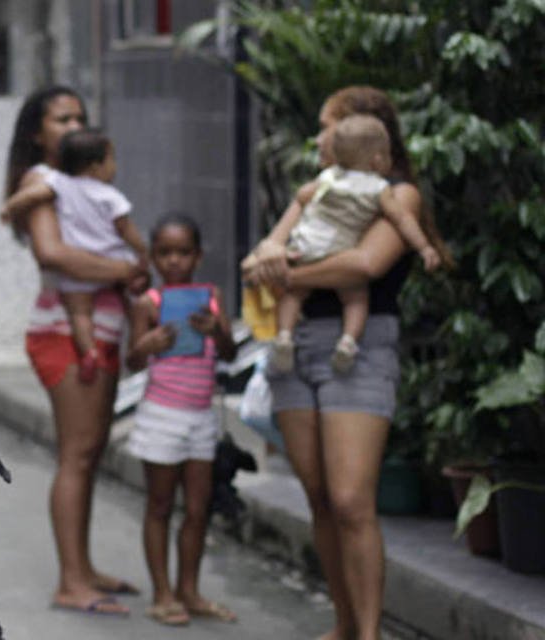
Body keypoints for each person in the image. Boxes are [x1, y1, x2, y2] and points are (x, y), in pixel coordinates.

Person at [242, 86, 451, 640]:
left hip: (357, 347)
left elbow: (362, 266)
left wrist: (285, 272)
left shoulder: (396, 194)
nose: (317, 138)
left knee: (352, 499)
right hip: (296, 345)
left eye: (326, 126)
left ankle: (369, 632)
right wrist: (270, 261)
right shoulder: (319, 190)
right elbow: (263, 252)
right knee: (318, 497)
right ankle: (343, 625)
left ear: (361, 131)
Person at [3, 85, 149, 616]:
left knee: (87, 455)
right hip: (65, 332)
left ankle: (83, 569)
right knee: (77, 454)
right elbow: (53, 253)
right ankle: (71, 581)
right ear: (38, 134)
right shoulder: (41, 180)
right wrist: (126, 269)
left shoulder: (78, 181)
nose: (73, 126)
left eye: (80, 117)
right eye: (62, 119)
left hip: (100, 328)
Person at [124, 213, 237, 627]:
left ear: (198, 255)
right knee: (159, 504)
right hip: (161, 414)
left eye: (183, 253)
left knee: (197, 507)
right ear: (154, 258)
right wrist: (148, 344)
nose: (174, 261)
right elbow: (131, 362)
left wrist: (215, 332)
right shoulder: (148, 304)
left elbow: (228, 355)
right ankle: (163, 593)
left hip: (201, 417)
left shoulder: (212, 298)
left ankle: (189, 590)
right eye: (165, 253)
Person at [271, 114, 443, 375]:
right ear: (377, 160)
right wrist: (425, 247)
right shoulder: (379, 188)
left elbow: (303, 196)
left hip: (306, 245)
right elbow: (402, 219)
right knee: (356, 300)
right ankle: (348, 341)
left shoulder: (328, 177)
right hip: (337, 250)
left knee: (293, 295)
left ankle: (284, 336)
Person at [1, 127, 148, 383]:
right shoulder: (110, 196)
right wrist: (142, 252)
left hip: (76, 272)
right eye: (112, 160)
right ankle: (136, 350)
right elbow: (126, 230)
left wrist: (9, 209)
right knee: (135, 304)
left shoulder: (59, 183)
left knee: (79, 314)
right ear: (95, 166)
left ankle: (88, 351)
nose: (114, 167)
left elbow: (31, 195)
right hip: (112, 264)